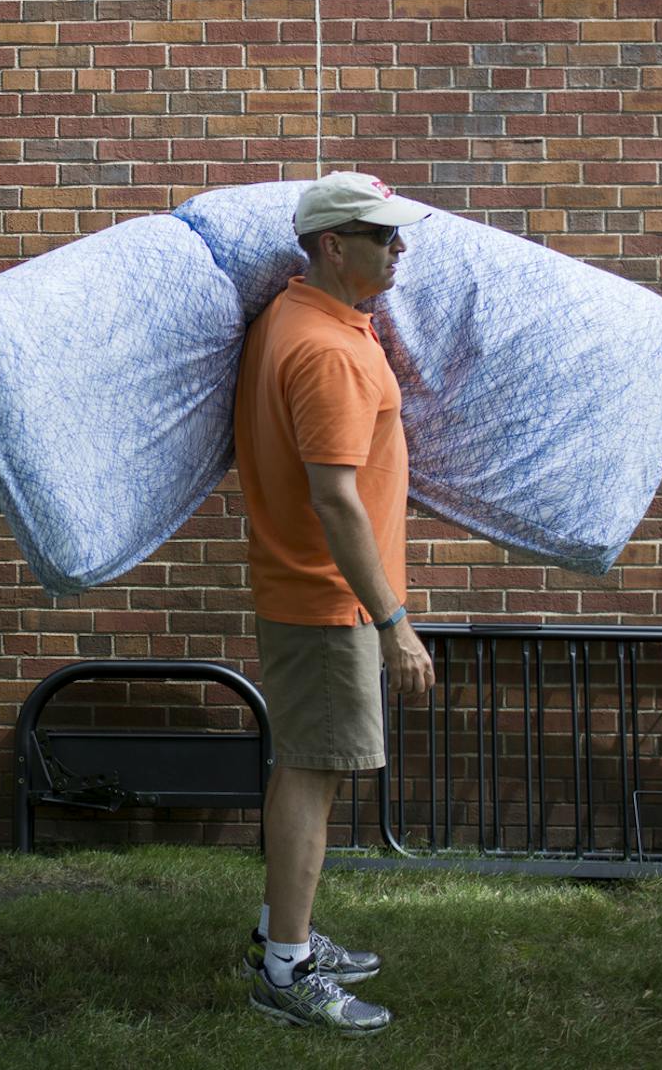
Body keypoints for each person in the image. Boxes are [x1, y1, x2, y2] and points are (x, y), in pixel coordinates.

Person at [233, 170, 439, 1036]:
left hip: (314, 594)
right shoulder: (328, 351)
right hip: (329, 602)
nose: (399, 248)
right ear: (331, 245)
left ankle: (288, 934)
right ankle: (287, 969)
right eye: (382, 235)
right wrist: (394, 623)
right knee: (313, 777)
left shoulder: (303, 316)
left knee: (304, 771)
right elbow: (335, 499)